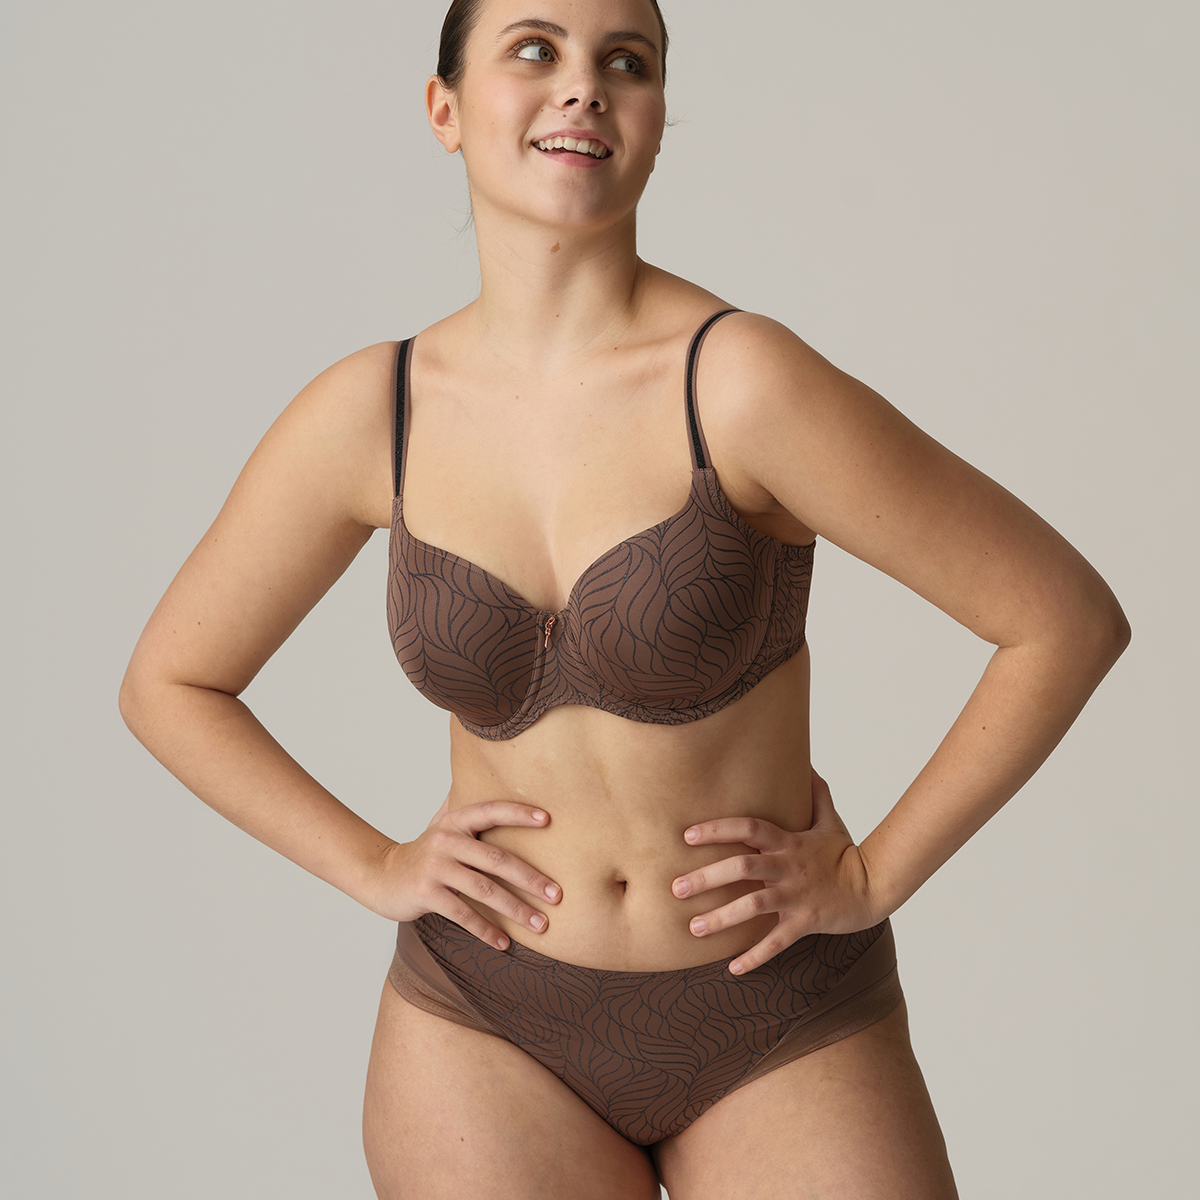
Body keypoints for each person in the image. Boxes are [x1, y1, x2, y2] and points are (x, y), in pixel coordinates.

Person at [119, 1, 1130, 1196]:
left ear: (653, 122)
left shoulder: (741, 384)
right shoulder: (374, 414)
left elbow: (1060, 618)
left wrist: (874, 876)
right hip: (484, 1019)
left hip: (774, 1011)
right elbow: (170, 684)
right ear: (445, 109)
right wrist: (376, 864)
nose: (584, 85)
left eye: (627, 62)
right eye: (534, 48)